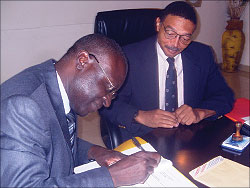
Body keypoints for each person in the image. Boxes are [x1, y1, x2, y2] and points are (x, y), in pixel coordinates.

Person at [0, 34, 161, 187]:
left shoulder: (61, 86)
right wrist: (112, 177)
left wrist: (96, 152)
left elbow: (54, 141)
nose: (107, 102)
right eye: (108, 88)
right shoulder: (23, 108)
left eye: (113, 94)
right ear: (83, 61)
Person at [99, 1, 235, 143]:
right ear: (158, 24)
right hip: (145, 135)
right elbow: (106, 103)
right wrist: (140, 115)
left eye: (185, 38)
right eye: (170, 33)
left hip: (188, 135)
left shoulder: (203, 55)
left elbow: (225, 96)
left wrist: (200, 112)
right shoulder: (127, 57)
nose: (175, 44)